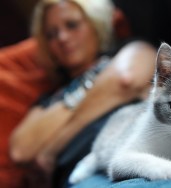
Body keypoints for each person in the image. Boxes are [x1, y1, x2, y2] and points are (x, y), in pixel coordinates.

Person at [7, 0, 156, 187]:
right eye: (51, 34)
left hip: (144, 151)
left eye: (72, 25)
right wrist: (96, 91)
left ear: (95, 24)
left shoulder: (128, 49)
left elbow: (124, 80)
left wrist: (50, 150)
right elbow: (21, 150)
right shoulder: (48, 98)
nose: (62, 37)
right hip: (83, 177)